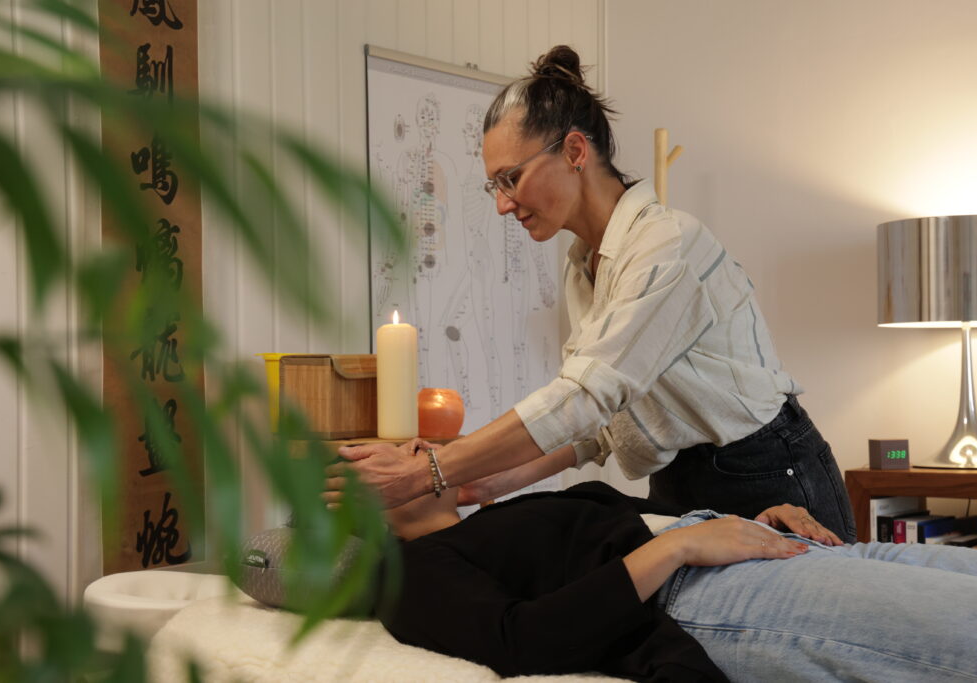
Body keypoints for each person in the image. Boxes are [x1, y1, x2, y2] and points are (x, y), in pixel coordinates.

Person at [331, 44, 856, 542]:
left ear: (576, 150)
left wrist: (431, 472)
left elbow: (585, 398)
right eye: (495, 186)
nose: (502, 205)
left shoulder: (668, 246)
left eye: (510, 178)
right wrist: (478, 480)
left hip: (770, 476)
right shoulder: (585, 267)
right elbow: (599, 424)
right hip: (682, 484)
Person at [379, 479, 977, 682]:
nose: (413, 447)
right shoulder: (414, 569)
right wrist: (681, 546)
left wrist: (758, 517)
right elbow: (521, 641)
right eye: (377, 451)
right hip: (705, 593)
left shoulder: (496, 514)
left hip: (773, 549)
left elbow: (634, 517)